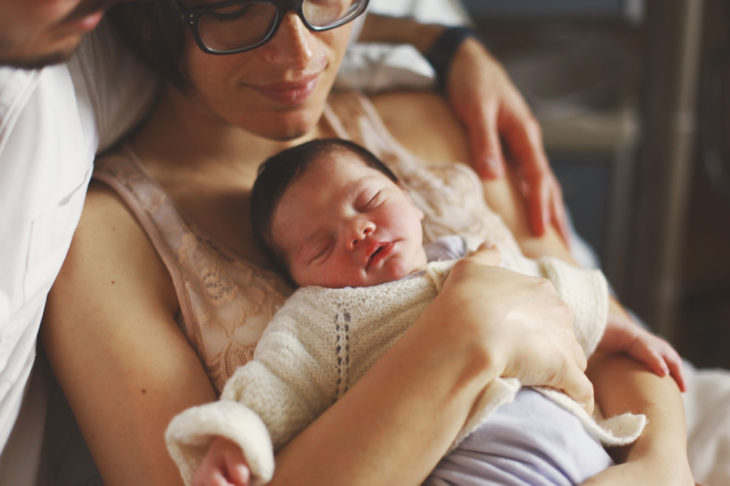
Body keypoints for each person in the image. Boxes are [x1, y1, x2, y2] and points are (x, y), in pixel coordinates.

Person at [40, 2, 694, 486]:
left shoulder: (420, 115)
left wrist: (661, 464)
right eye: (233, 7)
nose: (300, 54)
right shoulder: (107, 240)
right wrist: (468, 333)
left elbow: (609, 328)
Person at [166, 137, 685, 485]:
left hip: (591, 464)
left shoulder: (469, 253)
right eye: (321, 247)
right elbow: (274, 386)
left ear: (411, 202)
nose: (355, 231)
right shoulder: (324, 320)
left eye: (366, 201)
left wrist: (618, 330)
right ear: (299, 281)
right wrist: (235, 439)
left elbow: (556, 291)